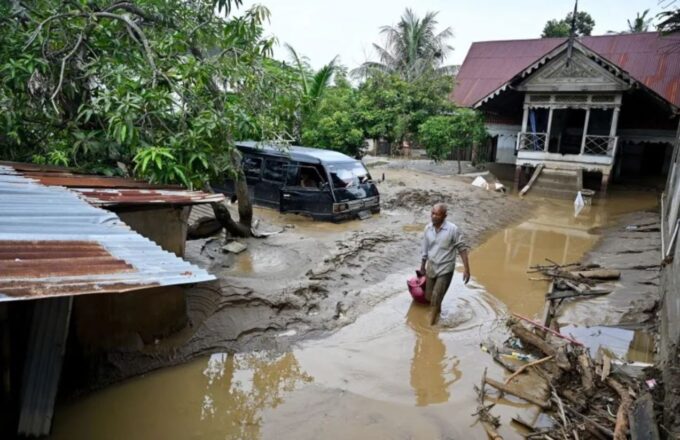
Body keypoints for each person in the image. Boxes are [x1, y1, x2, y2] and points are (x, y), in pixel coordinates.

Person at [420, 203, 471, 325]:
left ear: (444, 216)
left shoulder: (453, 229)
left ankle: (430, 327)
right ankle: (438, 313)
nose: (434, 216)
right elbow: (425, 249)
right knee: (429, 297)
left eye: (437, 214)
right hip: (431, 266)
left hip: (445, 268)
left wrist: (467, 269)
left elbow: (462, 249)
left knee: (436, 298)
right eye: (433, 213)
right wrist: (422, 266)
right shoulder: (428, 229)